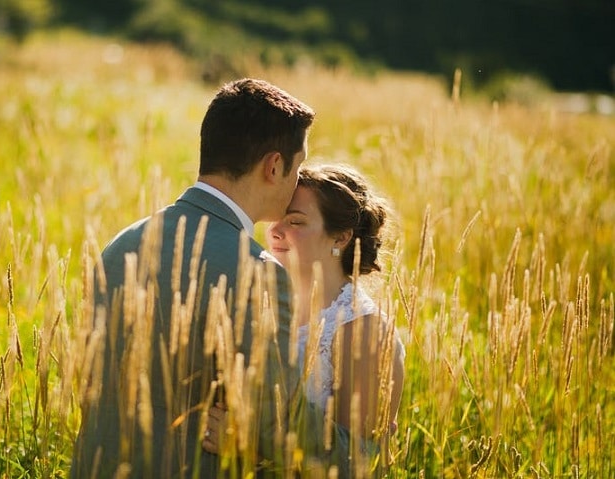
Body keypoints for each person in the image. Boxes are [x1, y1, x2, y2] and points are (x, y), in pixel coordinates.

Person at [71, 79, 351, 478]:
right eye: (298, 165)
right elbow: (273, 422)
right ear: (273, 166)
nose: (297, 181)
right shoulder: (257, 274)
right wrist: (357, 452)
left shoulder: (122, 245)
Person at [203, 164, 405, 469]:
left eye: (295, 221)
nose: (274, 231)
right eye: (276, 219)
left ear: (341, 239)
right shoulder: (257, 306)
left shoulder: (365, 331)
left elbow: (357, 464)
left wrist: (247, 449)